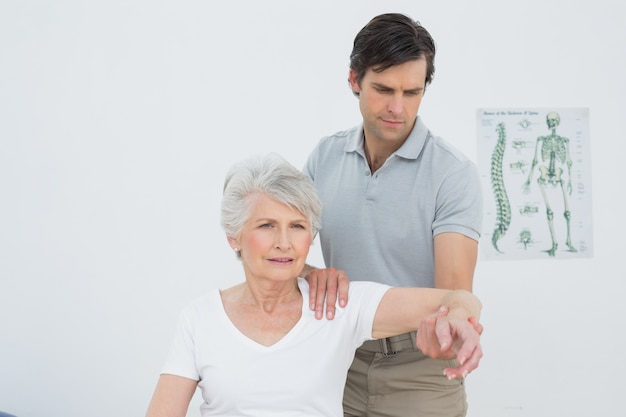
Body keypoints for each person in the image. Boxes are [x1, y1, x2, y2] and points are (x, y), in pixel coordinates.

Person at [145, 153, 483, 417]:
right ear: (234, 237)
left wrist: (457, 315)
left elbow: (459, 297)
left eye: (297, 226)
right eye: (266, 225)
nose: (284, 242)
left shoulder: (338, 303)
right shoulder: (200, 318)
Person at [302, 13, 483, 417]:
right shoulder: (324, 157)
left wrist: (455, 322)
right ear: (354, 80)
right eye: (383, 89)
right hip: (336, 361)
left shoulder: (453, 173)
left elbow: (453, 292)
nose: (397, 108)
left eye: (412, 92)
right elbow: (280, 254)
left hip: (421, 373)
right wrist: (314, 276)